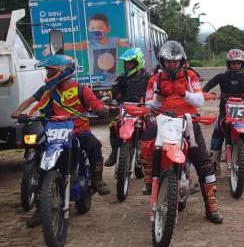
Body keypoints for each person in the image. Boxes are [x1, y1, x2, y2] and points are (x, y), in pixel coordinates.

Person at [11, 55, 110, 227]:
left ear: (63, 71)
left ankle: (97, 179)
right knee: (43, 166)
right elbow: (38, 107)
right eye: (48, 70)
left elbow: (94, 103)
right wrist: (26, 115)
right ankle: (40, 209)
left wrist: (101, 109)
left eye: (51, 71)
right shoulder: (50, 92)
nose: (48, 73)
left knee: (94, 145)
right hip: (55, 132)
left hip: (79, 131)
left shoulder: (81, 89)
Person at [140, 41, 223, 224]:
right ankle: (149, 177)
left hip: (188, 122)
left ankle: (212, 207)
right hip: (163, 121)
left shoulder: (190, 75)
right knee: (145, 138)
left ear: (182, 61)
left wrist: (184, 93)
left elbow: (200, 101)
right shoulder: (154, 79)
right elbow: (149, 106)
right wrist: (159, 98)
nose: (172, 65)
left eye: (175, 61)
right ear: (163, 61)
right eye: (168, 61)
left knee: (205, 164)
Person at [202, 49, 244, 170]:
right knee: (217, 132)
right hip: (225, 111)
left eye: (238, 63)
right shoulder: (222, 76)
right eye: (233, 63)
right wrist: (204, 93)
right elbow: (207, 86)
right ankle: (215, 164)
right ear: (229, 64)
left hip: (242, 109)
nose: (235, 65)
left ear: (242, 64)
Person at [104, 47, 151, 167]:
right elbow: (113, 89)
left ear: (137, 62)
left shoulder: (148, 78)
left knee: (152, 127)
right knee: (113, 125)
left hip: (143, 110)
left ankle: (148, 155)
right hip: (125, 110)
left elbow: (155, 91)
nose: (127, 65)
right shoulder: (122, 78)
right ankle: (115, 153)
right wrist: (108, 95)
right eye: (126, 63)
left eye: (130, 63)